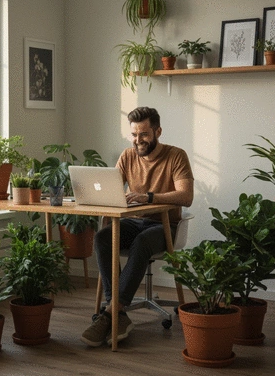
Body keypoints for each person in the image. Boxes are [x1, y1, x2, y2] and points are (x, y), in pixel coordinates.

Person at [80, 107, 194, 347]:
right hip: (134, 221)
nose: (137, 140)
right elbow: (113, 189)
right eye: (134, 134)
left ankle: (110, 313)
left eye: (143, 134)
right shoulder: (127, 156)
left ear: (157, 131)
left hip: (165, 225)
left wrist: (149, 197)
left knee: (141, 243)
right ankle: (118, 313)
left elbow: (186, 196)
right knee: (102, 238)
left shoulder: (176, 156)